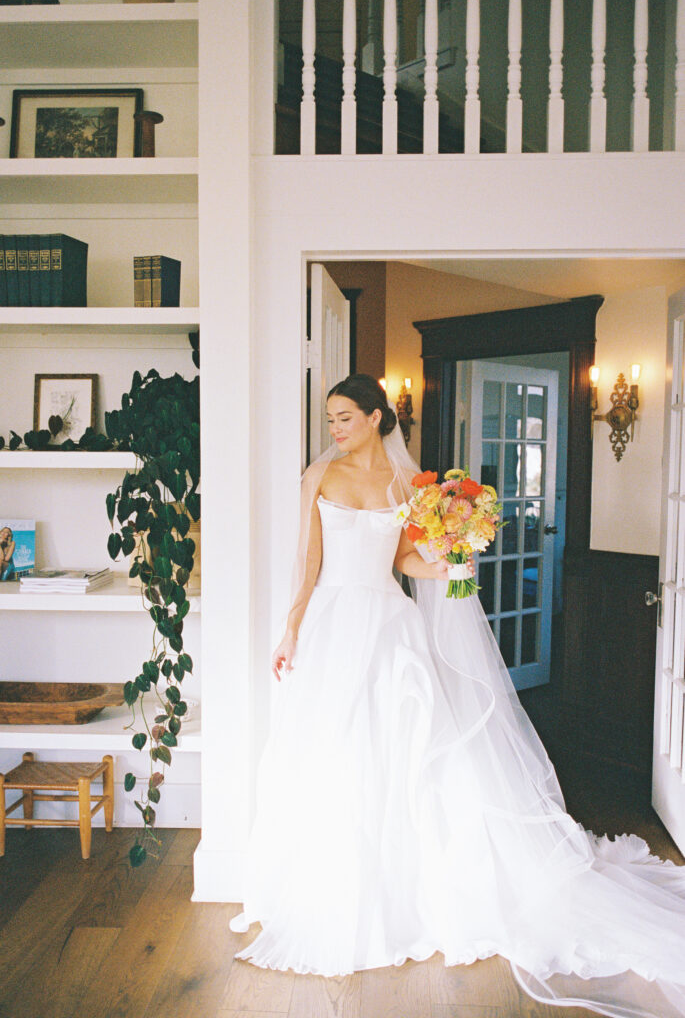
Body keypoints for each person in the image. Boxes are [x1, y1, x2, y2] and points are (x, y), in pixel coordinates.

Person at [230, 374, 685, 1018]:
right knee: (331, 753)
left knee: (405, 750)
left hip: (389, 625)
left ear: (376, 417)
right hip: (332, 625)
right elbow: (309, 565)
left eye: (343, 418)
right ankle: (330, 889)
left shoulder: (403, 484)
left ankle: (411, 893)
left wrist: (451, 559)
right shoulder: (317, 477)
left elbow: (406, 560)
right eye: (329, 418)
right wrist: (292, 627)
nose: (333, 429)